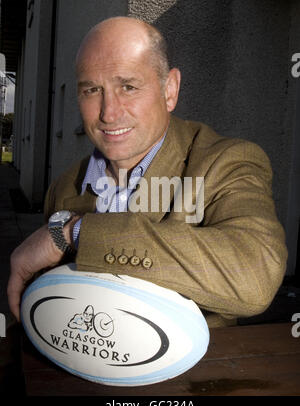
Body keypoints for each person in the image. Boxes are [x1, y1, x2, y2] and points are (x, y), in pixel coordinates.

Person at [7, 16, 287, 327]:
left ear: (170, 90)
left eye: (128, 86)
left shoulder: (226, 163)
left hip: (191, 374)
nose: (108, 113)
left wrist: (75, 233)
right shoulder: (64, 187)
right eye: (91, 90)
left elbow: (255, 276)